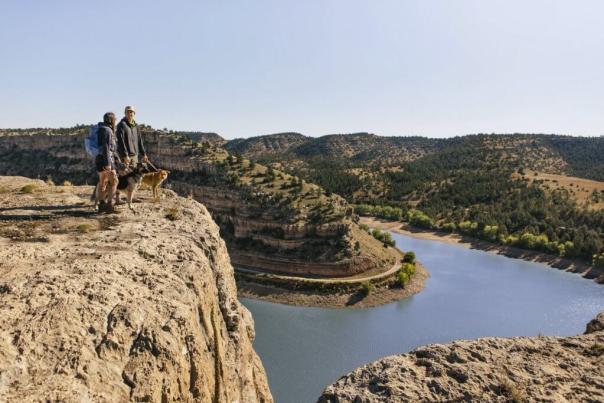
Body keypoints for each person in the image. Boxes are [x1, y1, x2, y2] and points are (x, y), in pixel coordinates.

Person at [95, 112, 119, 213]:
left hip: (99, 159)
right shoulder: (107, 130)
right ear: (110, 120)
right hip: (106, 159)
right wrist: (108, 163)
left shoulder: (100, 129)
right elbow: (106, 147)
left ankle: (101, 205)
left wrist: (116, 157)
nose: (115, 121)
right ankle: (109, 205)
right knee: (114, 181)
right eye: (115, 119)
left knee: (102, 182)